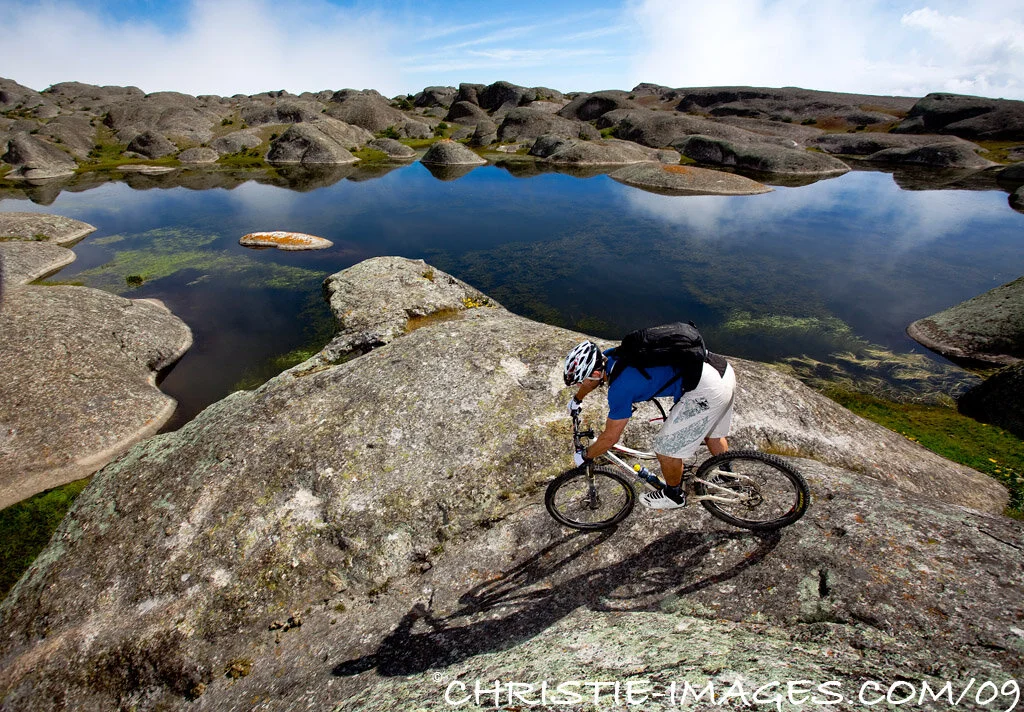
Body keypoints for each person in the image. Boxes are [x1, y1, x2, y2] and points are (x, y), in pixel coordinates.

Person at [563, 339, 736, 510]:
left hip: (707, 389)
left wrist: (586, 455)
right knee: (712, 434)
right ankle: (728, 476)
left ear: (594, 374)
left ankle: (674, 496)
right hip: (721, 370)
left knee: (665, 449)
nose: (580, 384)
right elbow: (593, 379)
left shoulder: (620, 389)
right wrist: (577, 399)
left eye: (581, 381)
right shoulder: (611, 355)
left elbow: (610, 438)